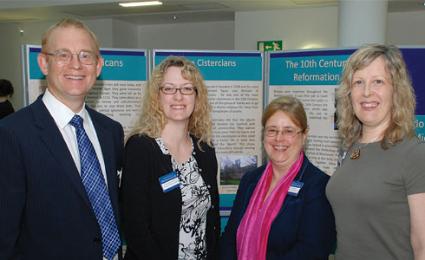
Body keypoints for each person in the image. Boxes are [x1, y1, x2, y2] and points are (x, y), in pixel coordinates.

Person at [0, 18, 123, 260]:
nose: (76, 65)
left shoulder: (111, 131)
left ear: (98, 66)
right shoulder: (11, 134)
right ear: (44, 63)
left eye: (85, 55)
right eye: (63, 55)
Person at [327, 44, 425, 260]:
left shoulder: (415, 155)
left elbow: (422, 245)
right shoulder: (352, 149)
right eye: (358, 82)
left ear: (396, 90)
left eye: (378, 82)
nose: (367, 92)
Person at [121, 56, 220, 260]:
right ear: (157, 96)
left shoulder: (205, 150)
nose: (178, 96)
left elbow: (212, 219)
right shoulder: (141, 148)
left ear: (196, 96)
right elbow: (136, 229)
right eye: (169, 88)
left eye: (186, 88)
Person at [220, 96, 336, 260]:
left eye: (288, 131)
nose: (279, 138)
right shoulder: (250, 180)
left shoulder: (318, 186)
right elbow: (230, 238)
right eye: (272, 130)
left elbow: (311, 251)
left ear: (304, 135)